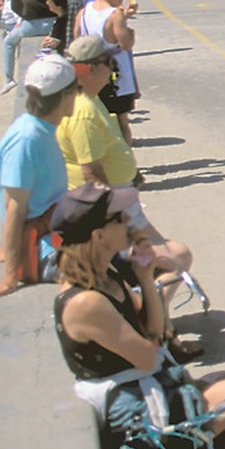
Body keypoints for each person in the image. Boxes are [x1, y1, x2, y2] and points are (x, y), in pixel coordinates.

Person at [50, 183, 225, 449]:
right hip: (136, 414)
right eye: (119, 219)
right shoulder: (85, 302)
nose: (130, 223)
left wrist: (144, 277)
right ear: (99, 236)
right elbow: (146, 353)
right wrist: (152, 332)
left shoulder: (109, 272)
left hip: (157, 390)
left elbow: (156, 331)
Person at [59, 35, 201, 359]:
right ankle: (158, 330)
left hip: (121, 205)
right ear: (90, 69)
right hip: (111, 212)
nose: (113, 66)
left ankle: (160, 324)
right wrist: (123, 228)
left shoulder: (88, 98)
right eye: (108, 62)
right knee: (175, 259)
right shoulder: (82, 111)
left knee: (173, 259)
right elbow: (91, 176)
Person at [0, 54, 78, 312]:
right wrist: (10, 276)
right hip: (43, 248)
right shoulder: (27, 139)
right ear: (64, 97)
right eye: (76, 91)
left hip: (53, 232)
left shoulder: (41, 129)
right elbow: (14, 207)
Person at [76, 0, 140, 145]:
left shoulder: (85, 11)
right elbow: (126, 43)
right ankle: (125, 163)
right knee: (121, 122)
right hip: (116, 76)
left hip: (91, 72)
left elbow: (77, 38)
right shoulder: (115, 15)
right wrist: (129, 31)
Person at [1, 0, 63, 94]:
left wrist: (23, 17)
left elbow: (15, 5)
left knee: (9, 42)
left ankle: (9, 79)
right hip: (53, 23)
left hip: (30, 25)